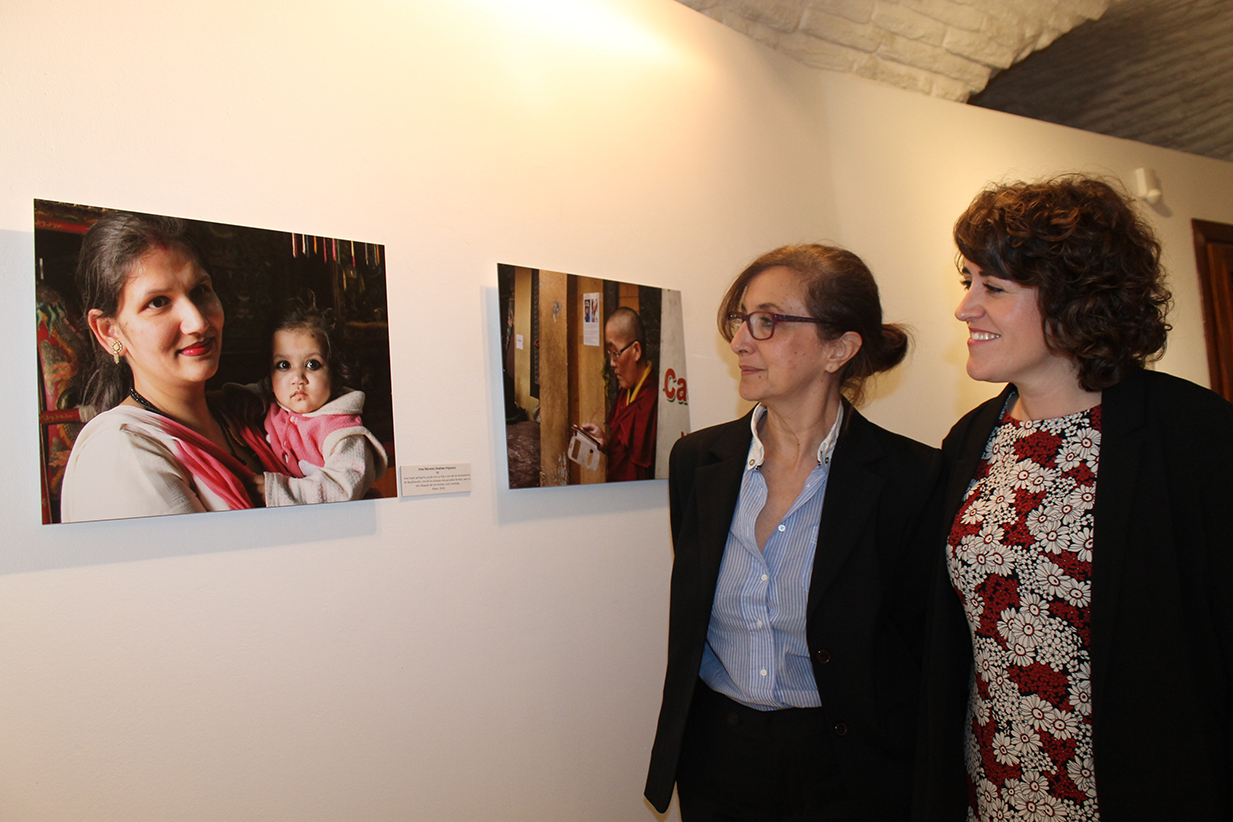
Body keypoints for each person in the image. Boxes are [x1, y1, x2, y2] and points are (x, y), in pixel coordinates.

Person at [915, 176, 1233, 821]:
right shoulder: (972, 438)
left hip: (1142, 789)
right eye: (967, 282)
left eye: (993, 288)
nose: (966, 308)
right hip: (997, 789)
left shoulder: (1192, 435)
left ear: (1075, 300)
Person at [645, 244, 942, 821]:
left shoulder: (912, 479)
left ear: (839, 348)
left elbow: (918, 655)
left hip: (846, 766)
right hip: (718, 757)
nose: (739, 342)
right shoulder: (697, 460)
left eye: (768, 321)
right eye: (740, 320)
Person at [60, 211, 264, 522]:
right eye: (157, 302)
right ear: (109, 331)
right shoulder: (120, 453)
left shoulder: (245, 414)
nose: (198, 322)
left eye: (199, 291)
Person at [236, 296, 387, 506]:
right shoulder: (272, 399)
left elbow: (343, 489)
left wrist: (279, 491)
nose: (297, 378)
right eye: (283, 365)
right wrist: (242, 398)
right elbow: (253, 392)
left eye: (312, 364)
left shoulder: (343, 432)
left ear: (335, 372)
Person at [581, 306, 658, 481]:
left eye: (615, 353)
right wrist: (605, 441)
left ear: (636, 350)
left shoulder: (655, 401)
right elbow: (625, 451)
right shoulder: (627, 393)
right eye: (610, 354)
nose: (612, 363)